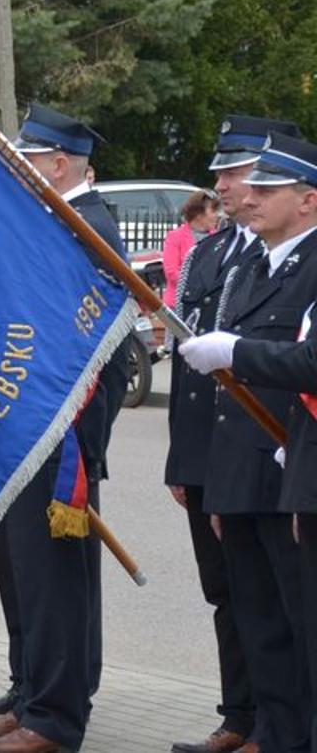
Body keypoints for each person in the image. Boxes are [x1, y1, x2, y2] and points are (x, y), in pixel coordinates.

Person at [0, 104, 128, 753]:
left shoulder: (86, 227)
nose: (17, 168)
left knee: (55, 582)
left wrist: (82, 441)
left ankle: (55, 718)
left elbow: (97, 352)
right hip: (27, 430)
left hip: (59, 440)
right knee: (28, 576)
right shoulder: (55, 219)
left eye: (27, 159)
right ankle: (33, 692)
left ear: (59, 164)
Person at [173, 133, 317, 753]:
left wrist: (236, 351)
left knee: (300, 627)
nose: (249, 198)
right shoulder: (252, 264)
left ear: (307, 200)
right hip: (240, 475)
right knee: (261, 628)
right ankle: (273, 736)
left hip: (289, 473)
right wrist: (214, 479)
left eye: (266, 188)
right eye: (248, 186)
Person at [165, 191, 224, 308]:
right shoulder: (175, 236)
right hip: (179, 304)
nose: (217, 215)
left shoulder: (220, 238)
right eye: (213, 211)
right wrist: (199, 286)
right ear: (198, 214)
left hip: (208, 305)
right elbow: (171, 272)